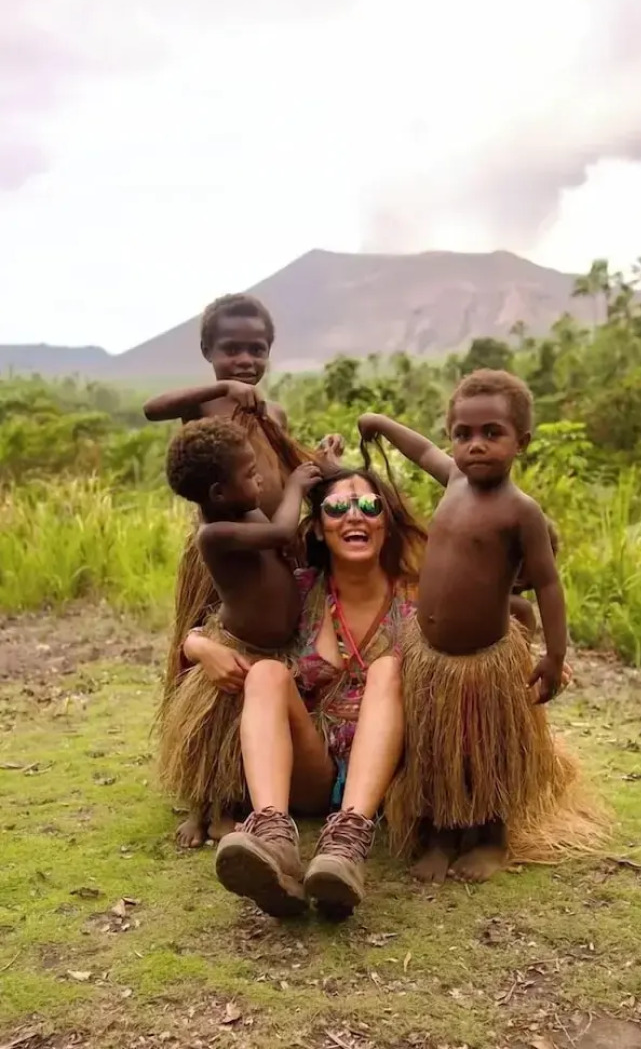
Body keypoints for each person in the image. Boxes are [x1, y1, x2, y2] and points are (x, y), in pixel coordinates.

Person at [358, 369, 609, 885]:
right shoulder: (452, 480)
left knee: (483, 749)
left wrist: (555, 657)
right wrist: (381, 422)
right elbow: (421, 450)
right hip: (430, 660)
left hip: (485, 662)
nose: (475, 446)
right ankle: (440, 836)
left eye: (491, 433)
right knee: (435, 750)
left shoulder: (521, 512)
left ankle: (491, 837)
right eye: (463, 434)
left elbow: (548, 585)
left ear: (522, 441)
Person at [143, 292, 342, 846]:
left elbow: (287, 468)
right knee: (214, 666)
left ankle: (251, 788)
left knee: (262, 669)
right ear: (208, 350)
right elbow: (151, 408)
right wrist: (222, 389)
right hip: (225, 567)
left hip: (275, 555)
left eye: (256, 349)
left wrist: (319, 465)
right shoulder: (204, 407)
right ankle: (204, 793)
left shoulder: (272, 414)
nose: (246, 360)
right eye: (232, 350)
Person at [183, 468, 427, 918]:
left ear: (386, 522)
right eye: (337, 507)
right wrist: (198, 646)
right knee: (267, 674)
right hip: (313, 766)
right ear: (317, 526)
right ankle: (274, 837)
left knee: (389, 667)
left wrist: (528, 658)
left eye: (369, 506)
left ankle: (347, 845)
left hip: (391, 774)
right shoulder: (297, 592)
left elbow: (481, 633)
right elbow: (219, 625)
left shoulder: (418, 596)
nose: (355, 516)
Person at [159, 417, 323, 854]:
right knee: (216, 737)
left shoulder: (242, 508)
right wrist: (295, 489)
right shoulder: (215, 533)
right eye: (250, 475)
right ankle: (204, 810)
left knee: (241, 740)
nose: (259, 480)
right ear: (218, 493)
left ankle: (229, 808)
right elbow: (283, 531)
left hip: (275, 650)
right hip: (240, 645)